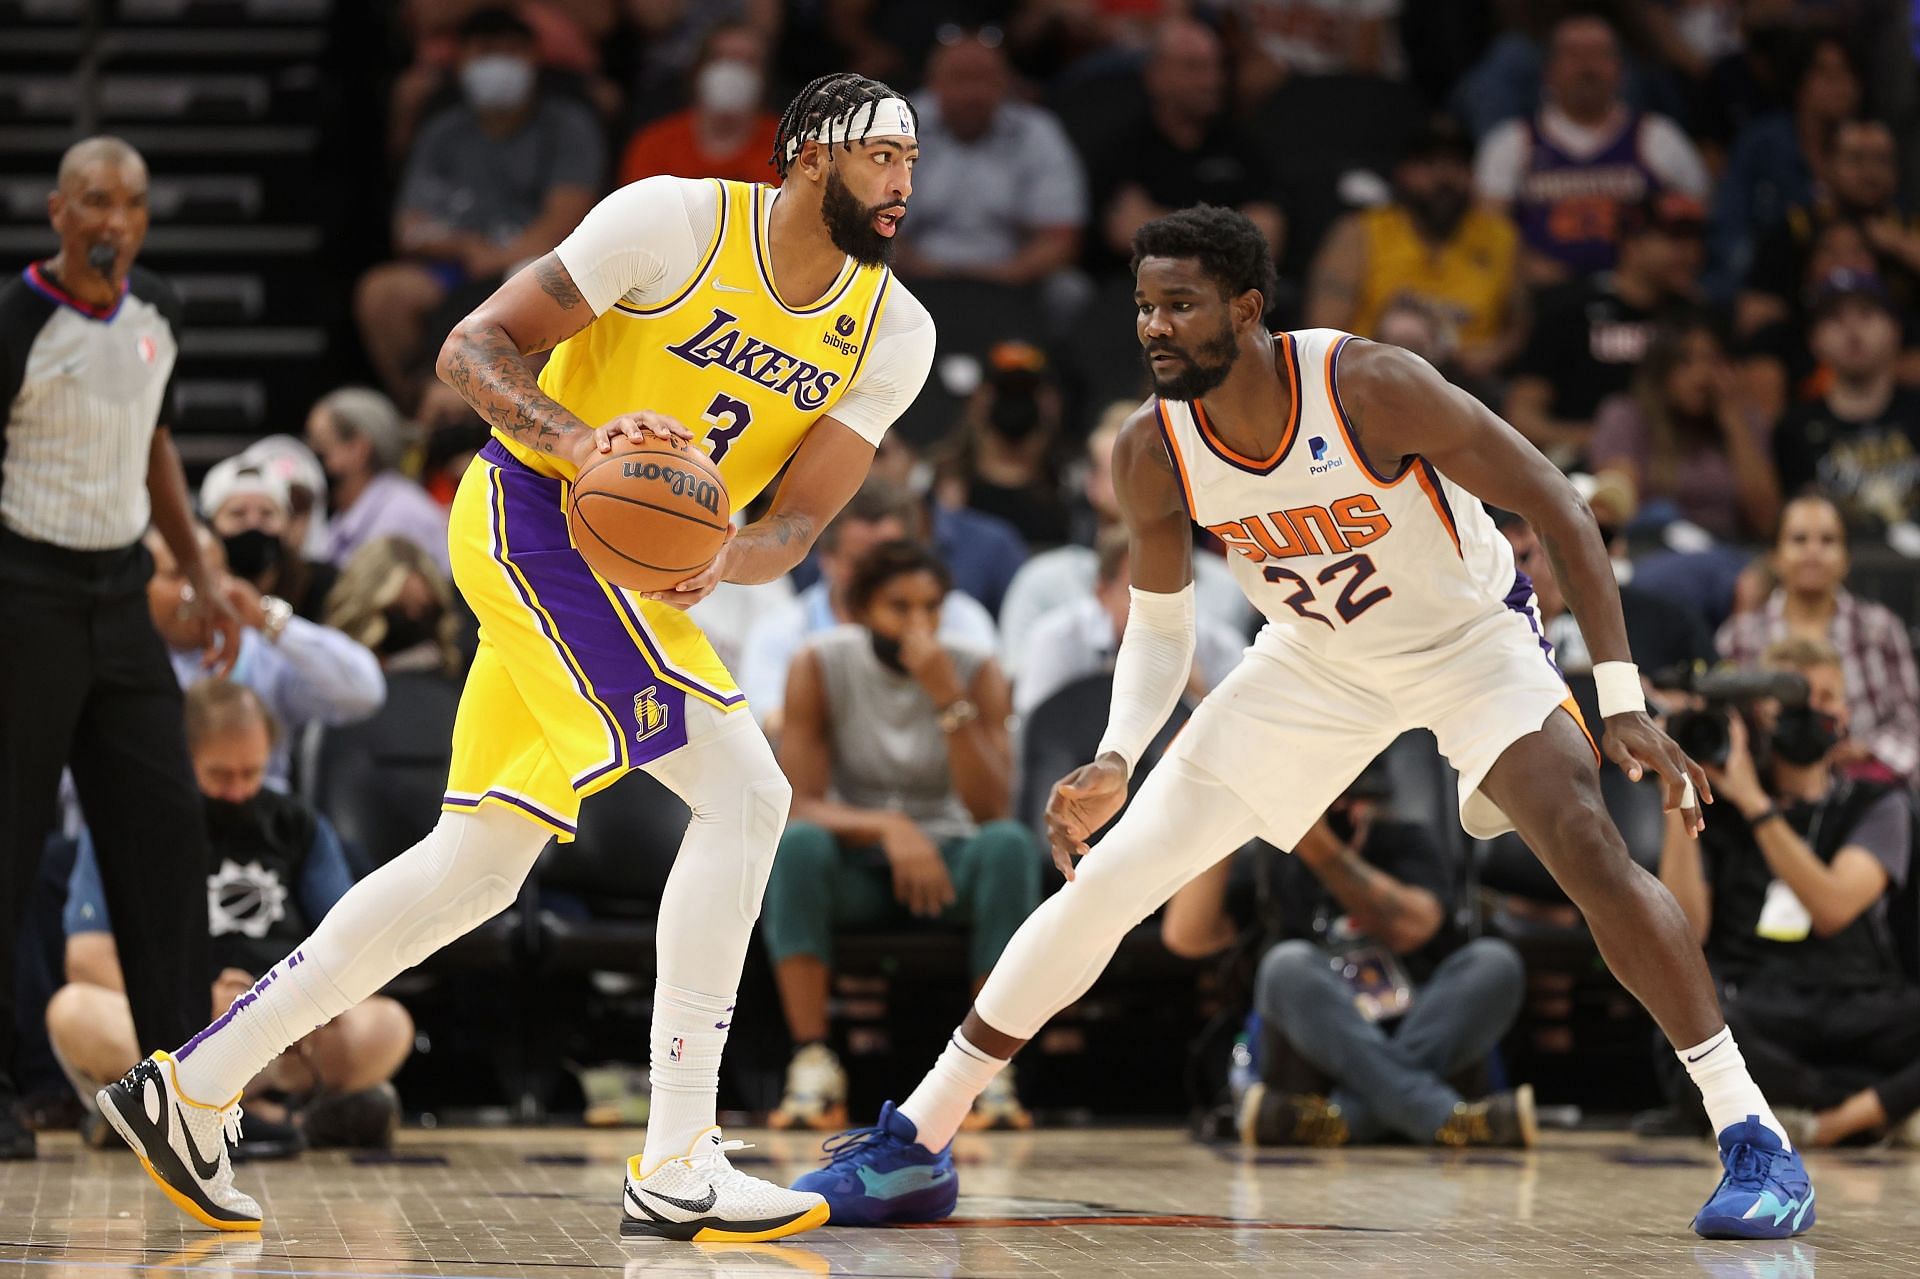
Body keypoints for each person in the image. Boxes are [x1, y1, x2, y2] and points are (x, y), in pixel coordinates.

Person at [797, 206, 1814, 1240]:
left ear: (1246, 308)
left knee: (1589, 846)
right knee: (1112, 878)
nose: (1152, 326)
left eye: (1179, 304)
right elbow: (1159, 626)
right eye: (1144, 305)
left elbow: (1557, 500)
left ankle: (1755, 1137)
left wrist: (1625, 699)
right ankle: (920, 1141)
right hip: (1314, 659)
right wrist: (1117, 752)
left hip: (1468, 640)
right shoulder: (1152, 449)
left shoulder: (1369, 385)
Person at [98, 71, 935, 1243]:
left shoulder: (896, 329)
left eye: (911, 159)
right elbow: (472, 351)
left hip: (648, 581)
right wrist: (585, 443)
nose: (903, 182)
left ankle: (189, 1088)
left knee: (479, 865)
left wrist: (725, 555)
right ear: (806, 158)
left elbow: (794, 527)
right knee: (749, 793)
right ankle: (679, 1156)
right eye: (880, 157)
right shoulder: (674, 222)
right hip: (535, 519)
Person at [0, 136, 242, 1161]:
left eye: (131, 205)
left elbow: (153, 442)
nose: (113, 222)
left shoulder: (160, 313)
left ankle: (182, 1093)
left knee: (162, 835)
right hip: (23, 591)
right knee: (8, 844)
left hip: (119, 595)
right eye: (94, 202)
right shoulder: (16, 318)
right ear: (58, 213)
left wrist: (197, 568)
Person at [47, 682, 413, 1154]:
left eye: (252, 773)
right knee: (73, 1011)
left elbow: (353, 942)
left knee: (387, 1026)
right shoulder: (129, 827)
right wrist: (197, 1001)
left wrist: (286, 1004)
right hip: (179, 1025)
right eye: (220, 775)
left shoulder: (298, 826)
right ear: (183, 756)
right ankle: (276, 1116)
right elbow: (86, 957)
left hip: (281, 1028)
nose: (238, 792)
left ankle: (181, 1112)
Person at [762, 540, 1042, 1132]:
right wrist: (888, 827)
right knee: (795, 849)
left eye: (931, 608)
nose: (919, 624)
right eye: (900, 607)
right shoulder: (818, 662)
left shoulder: (975, 668)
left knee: (1010, 847)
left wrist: (948, 698)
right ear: (860, 609)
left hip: (952, 861)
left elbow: (992, 807)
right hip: (858, 860)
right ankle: (812, 1061)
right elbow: (797, 804)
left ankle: (989, 1072)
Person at [1162, 773, 1530, 1148]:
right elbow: (1186, 937)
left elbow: (1413, 927)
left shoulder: (1406, 842)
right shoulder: (1274, 857)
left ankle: (1329, 1121)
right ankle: (1444, 1117)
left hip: (1415, 1028)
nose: (1340, 812)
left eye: (1352, 799)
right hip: (1310, 1052)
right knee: (1286, 965)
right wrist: (1226, 823)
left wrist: (1323, 851)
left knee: (1494, 963)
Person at [1658, 637, 1920, 1149]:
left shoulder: (1878, 804)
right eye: (1793, 701)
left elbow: (1833, 907)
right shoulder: (1717, 804)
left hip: (1856, 1000)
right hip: (1759, 999)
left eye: (1824, 698)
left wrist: (1756, 802)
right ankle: (1878, 1108)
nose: (1810, 711)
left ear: (1845, 713)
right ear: (1760, 714)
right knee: (1680, 1030)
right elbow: (1687, 928)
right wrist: (1680, 794)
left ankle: (1823, 1121)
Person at [356, 6, 603, 407]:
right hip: (458, 264)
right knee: (382, 293)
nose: (498, 63)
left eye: (510, 51)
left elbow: (567, 217)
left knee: (544, 287)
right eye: (486, 52)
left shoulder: (568, 125)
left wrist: (502, 257)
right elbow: (409, 227)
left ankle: (523, 411)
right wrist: (468, 249)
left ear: (534, 59)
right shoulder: (442, 130)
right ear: (462, 62)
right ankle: (422, 410)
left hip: (533, 262)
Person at [997, 402, 1254, 679]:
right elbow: (1019, 696)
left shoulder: (1227, 586)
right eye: (1120, 470)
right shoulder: (1041, 581)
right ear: (1091, 484)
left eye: (1158, 471)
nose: (1139, 485)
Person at [738, 477, 999, 733]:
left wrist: (948, 692)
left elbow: (995, 727)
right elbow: (769, 724)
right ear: (827, 558)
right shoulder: (780, 630)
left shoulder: (963, 619)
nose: (875, 579)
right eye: (860, 564)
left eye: (888, 564)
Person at [1472, 13, 1709, 285]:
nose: (1587, 67)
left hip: (1643, 298)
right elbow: (1488, 236)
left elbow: (1697, 223)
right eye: (1573, 55)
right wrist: (1534, 270)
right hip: (1546, 301)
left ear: (1620, 70)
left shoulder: (1659, 137)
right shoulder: (1512, 142)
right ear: (1548, 71)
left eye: (1599, 54)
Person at [147, 525, 386, 790]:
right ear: (142, 585)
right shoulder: (119, 656)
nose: (195, 592)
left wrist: (269, 622)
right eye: (176, 576)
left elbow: (365, 692)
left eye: (209, 576)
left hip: (260, 817)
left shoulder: (261, 652)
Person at [1717, 495, 1920, 787]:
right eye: (1799, 540)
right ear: (1775, 556)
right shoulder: (1738, 636)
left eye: (1828, 540)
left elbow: (1910, 723)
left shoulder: (1880, 628)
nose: (1813, 551)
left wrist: (1866, 751)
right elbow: (1724, 727)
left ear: (1846, 558)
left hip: (1865, 787)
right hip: (1768, 789)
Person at [1308, 115, 1525, 379]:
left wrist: (1493, 354)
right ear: (1403, 173)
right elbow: (1323, 336)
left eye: (1456, 164)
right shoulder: (1360, 232)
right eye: (1428, 164)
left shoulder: (1500, 236)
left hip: (1466, 385)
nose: (1444, 178)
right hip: (1372, 375)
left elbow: (1520, 324)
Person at [1504, 192, 1708, 464]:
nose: (1690, 253)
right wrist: (1604, 438)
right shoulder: (1571, 310)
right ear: (1632, 244)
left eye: (1694, 241)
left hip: (1679, 465)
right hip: (1584, 461)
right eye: (1675, 239)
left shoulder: (1696, 319)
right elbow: (1522, 416)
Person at [1088, 18, 1284, 276]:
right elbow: (1125, 233)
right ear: (1155, 75)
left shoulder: (1244, 147)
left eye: (1217, 67)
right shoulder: (1123, 147)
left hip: (1226, 294)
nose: (1211, 81)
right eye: (1194, 67)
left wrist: (1159, 224)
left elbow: (1265, 239)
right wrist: (1229, 236)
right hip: (1139, 295)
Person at [893, 31, 1084, 289]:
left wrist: (1010, 274)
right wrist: (921, 271)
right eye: (960, 79)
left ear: (1006, 83)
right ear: (933, 83)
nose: (972, 93)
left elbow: (1060, 236)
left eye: (984, 79)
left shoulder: (1037, 131)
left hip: (1015, 276)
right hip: (913, 274)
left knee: (1070, 289)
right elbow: (869, 226)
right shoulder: (896, 130)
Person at [1013, 526, 1245, 717]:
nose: (1161, 606)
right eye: (1141, 593)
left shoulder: (1220, 645)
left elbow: (1241, 740)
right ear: (1102, 593)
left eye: (1174, 590)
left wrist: (1196, 690)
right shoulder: (1056, 638)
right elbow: (1034, 732)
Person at [1589, 316, 1780, 544]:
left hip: (1729, 553)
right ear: (1660, 369)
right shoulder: (1626, 416)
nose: (1702, 374)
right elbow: (1616, 508)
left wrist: (1733, 422)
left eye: (1713, 361)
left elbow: (1766, 523)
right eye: (1685, 361)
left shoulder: (1745, 421)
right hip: (1651, 548)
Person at [1771, 271, 1920, 534]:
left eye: (1866, 314)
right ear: (1814, 340)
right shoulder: (1794, 429)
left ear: (1896, 329)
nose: (1852, 331)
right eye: (1835, 319)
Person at [930, 340, 1069, 549]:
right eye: (1005, 392)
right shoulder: (943, 485)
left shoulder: (1069, 488)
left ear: (1048, 403)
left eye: (1025, 394)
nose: (1015, 404)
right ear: (980, 399)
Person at [305, 387, 451, 575]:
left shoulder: (401, 515)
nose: (311, 460)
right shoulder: (341, 518)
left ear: (358, 449)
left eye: (321, 447)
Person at [617, 21, 781, 188]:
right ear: (698, 70)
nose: (732, 71)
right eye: (721, 57)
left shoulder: (786, 150)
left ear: (764, 77)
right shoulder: (654, 146)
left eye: (748, 61)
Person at [200, 454, 339, 624]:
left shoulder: (322, 586)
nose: (253, 523)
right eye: (237, 513)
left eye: (267, 513)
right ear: (210, 526)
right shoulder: (194, 588)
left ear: (287, 523)